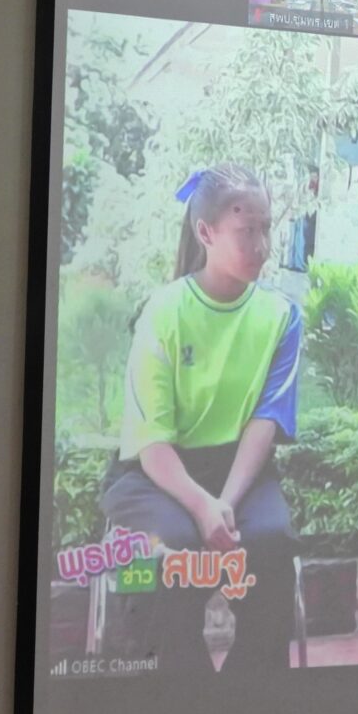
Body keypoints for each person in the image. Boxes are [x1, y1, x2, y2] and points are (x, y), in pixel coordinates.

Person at [100, 164, 303, 674]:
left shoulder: (281, 316)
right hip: (157, 476)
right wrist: (200, 506)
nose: (261, 245)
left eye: (265, 228)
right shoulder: (162, 312)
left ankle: (244, 701)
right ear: (205, 232)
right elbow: (152, 444)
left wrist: (223, 506)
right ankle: (179, 696)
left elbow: (264, 423)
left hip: (240, 474)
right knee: (171, 551)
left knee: (271, 541)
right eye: (246, 230)